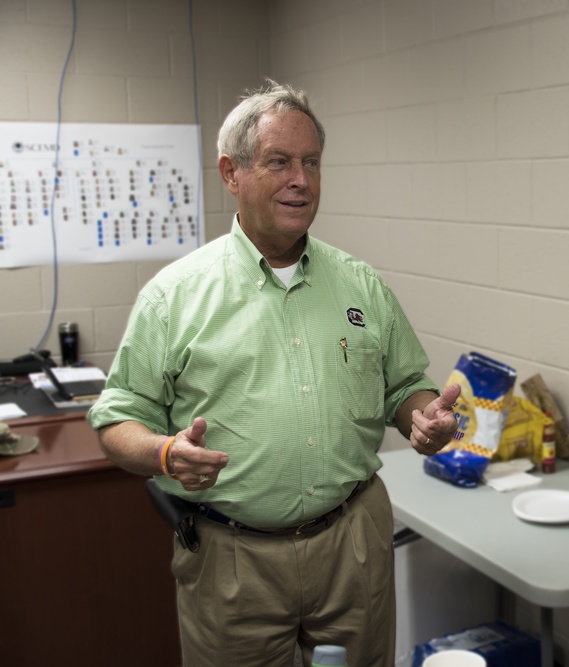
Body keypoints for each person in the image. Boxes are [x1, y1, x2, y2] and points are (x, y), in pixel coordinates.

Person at [88, 80, 459, 667]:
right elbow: (116, 419)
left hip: (352, 545)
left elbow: (404, 385)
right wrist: (164, 454)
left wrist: (424, 415)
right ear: (231, 173)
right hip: (233, 558)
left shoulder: (361, 284)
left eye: (312, 163)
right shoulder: (174, 296)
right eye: (279, 162)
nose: (302, 180)